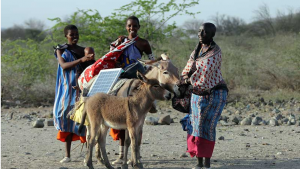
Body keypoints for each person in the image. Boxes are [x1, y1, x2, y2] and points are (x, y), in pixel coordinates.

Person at [179, 22, 228, 169]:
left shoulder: (215, 53)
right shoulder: (197, 50)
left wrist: (187, 80)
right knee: (194, 126)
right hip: (197, 94)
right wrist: (185, 78)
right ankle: (199, 163)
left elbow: (204, 77)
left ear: (212, 35)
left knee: (206, 126)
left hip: (214, 94)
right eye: (200, 31)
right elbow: (187, 69)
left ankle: (206, 163)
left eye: (205, 32)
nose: (201, 34)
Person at [110, 15, 155, 165]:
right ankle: (122, 154)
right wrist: (117, 44)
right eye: (129, 26)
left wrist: (144, 67)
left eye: (135, 26)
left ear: (138, 27)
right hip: (121, 75)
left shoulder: (143, 43)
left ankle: (137, 154)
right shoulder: (121, 41)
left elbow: (152, 60)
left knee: (138, 120)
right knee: (120, 116)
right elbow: (111, 57)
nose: (132, 29)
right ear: (126, 27)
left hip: (137, 76)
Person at [53, 25, 95, 163]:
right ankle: (67, 155)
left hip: (81, 89)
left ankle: (88, 154)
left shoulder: (84, 50)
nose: (75, 37)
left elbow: (92, 67)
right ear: (66, 36)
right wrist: (81, 60)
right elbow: (64, 66)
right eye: (72, 35)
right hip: (66, 89)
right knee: (65, 117)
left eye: (76, 34)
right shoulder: (61, 50)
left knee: (84, 119)